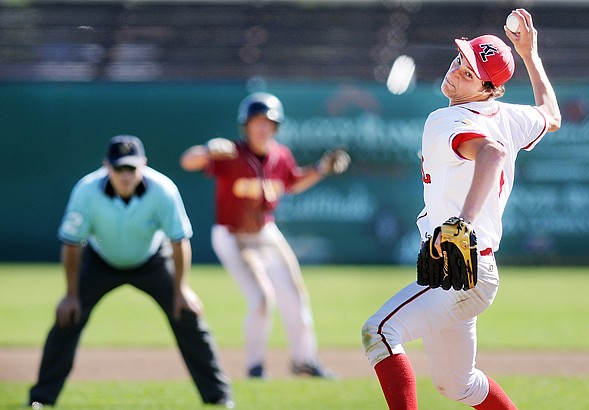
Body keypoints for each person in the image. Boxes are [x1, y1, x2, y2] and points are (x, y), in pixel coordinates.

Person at [362, 8, 561, 410]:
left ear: (489, 89)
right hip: (473, 269)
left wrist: (461, 222)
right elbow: (552, 116)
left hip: (460, 268)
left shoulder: (446, 119)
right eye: (459, 61)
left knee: (379, 332)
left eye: (468, 73)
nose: (455, 72)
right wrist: (531, 55)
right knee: (459, 386)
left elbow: (490, 151)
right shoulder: (509, 116)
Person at [29, 135, 234, 408]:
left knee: (187, 314)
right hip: (100, 261)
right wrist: (70, 294)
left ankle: (219, 397)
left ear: (144, 165)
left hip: (152, 259)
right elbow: (72, 243)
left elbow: (179, 241)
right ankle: (41, 399)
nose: (125, 175)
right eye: (119, 168)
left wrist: (181, 289)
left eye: (131, 168)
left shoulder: (163, 190)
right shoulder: (86, 190)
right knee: (68, 318)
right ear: (106, 166)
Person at [180, 92, 350, 379]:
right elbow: (188, 161)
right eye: (257, 122)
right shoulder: (231, 153)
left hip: (265, 231)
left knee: (295, 294)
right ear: (245, 126)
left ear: (276, 127)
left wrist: (321, 168)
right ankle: (255, 367)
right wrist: (208, 149)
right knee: (261, 298)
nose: (263, 128)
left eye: (268, 123)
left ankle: (303, 361)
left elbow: (292, 183)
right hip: (231, 235)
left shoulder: (280, 155)